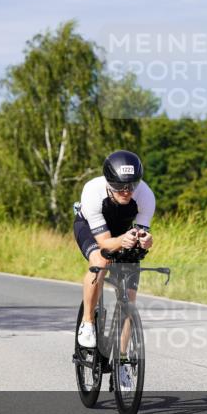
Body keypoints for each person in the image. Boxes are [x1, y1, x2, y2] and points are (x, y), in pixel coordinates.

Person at [74, 150, 155, 366]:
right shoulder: (92, 191)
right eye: (120, 186)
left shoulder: (145, 195)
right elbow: (104, 242)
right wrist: (122, 241)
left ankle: (122, 359)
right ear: (109, 181)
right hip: (92, 230)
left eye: (132, 185)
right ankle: (88, 322)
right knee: (101, 262)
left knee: (129, 297)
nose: (127, 191)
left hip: (122, 231)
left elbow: (140, 234)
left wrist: (145, 240)